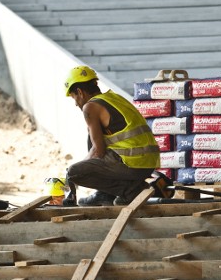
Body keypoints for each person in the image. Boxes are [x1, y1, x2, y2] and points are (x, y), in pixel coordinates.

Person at [62, 65, 160, 206]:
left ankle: (130, 191)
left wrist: (70, 176)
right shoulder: (114, 98)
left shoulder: (90, 107)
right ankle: (106, 194)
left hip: (132, 164)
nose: (76, 103)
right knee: (91, 136)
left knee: (74, 172)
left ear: (79, 92)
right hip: (148, 163)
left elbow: (98, 151)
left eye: (74, 98)